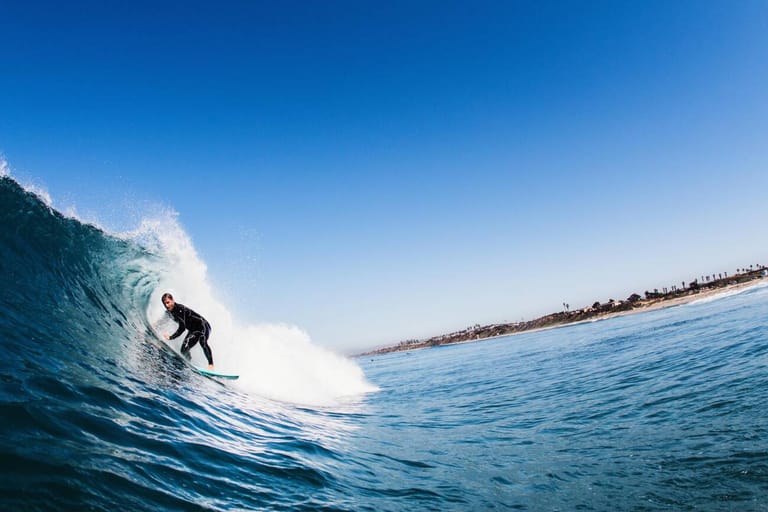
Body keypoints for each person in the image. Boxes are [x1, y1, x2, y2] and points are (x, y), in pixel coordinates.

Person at [161, 293, 214, 370]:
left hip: (203, 326)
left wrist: (171, 337)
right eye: (164, 304)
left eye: (168, 302)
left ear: (173, 300)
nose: (166, 305)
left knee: (202, 341)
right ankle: (189, 363)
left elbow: (182, 328)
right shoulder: (169, 312)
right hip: (193, 330)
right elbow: (163, 320)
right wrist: (155, 324)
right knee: (183, 350)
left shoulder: (180, 310)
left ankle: (211, 364)